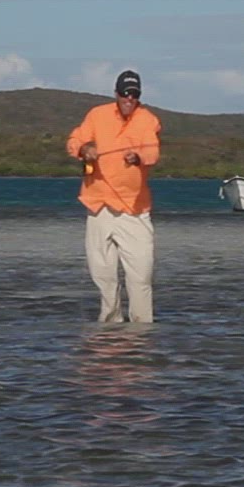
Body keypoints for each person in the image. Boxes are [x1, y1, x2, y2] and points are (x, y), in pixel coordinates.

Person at [66, 69, 163, 323]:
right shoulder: (96, 115)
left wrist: (138, 157)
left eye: (134, 94)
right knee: (102, 275)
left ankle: (141, 331)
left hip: (134, 211)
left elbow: (152, 152)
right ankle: (109, 328)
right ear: (116, 93)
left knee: (140, 276)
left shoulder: (148, 120)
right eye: (125, 93)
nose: (129, 98)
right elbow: (74, 140)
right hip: (98, 207)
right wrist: (84, 149)